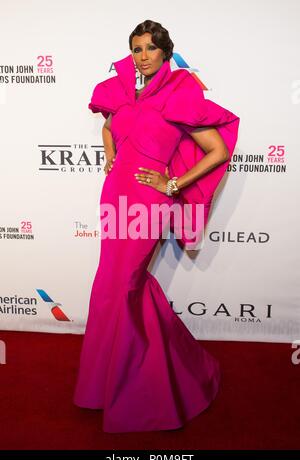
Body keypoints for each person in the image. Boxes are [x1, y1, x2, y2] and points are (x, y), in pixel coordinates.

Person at [73, 19, 240, 433]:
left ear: (165, 52)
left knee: (126, 284)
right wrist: (110, 154)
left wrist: (173, 183)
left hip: (149, 202)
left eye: (149, 48)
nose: (142, 56)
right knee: (111, 287)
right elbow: (111, 126)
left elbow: (218, 150)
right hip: (115, 196)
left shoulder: (179, 94)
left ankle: (146, 388)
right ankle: (103, 383)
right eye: (136, 49)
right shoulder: (124, 93)